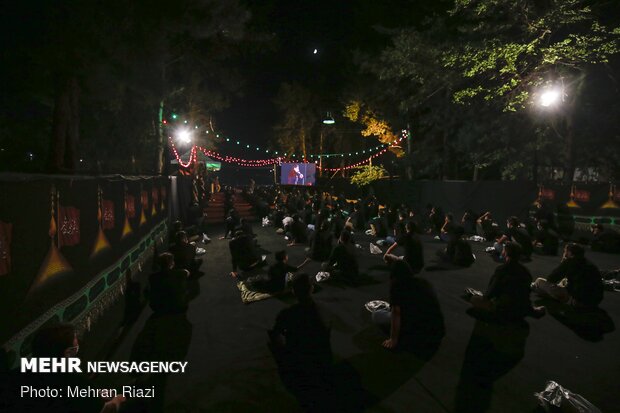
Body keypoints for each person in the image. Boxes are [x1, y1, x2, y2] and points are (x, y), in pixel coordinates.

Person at [10, 324, 126, 413]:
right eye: (75, 340)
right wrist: (117, 400)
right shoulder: (74, 381)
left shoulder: (17, 374)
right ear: (67, 353)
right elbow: (104, 410)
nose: (78, 342)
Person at [269, 273, 333, 412]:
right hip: (321, 358)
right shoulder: (323, 311)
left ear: (293, 291)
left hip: (299, 359)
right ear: (311, 289)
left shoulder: (287, 314)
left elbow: (275, 335)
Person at [372, 258, 445, 350]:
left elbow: (396, 314)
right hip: (436, 331)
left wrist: (393, 339)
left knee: (376, 315)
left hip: (417, 334)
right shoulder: (423, 282)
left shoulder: (397, 287)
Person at [465, 243, 545, 321]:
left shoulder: (502, 270)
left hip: (504, 308)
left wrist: (481, 296)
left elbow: (491, 292)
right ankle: (529, 311)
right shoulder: (526, 271)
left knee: (474, 299)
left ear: (505, 253)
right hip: (521, 309)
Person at [532, 243, 604, 308]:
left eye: (565, 251)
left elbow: (551, 278)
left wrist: (563, 262)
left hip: (577, 300)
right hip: (595, 301)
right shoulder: (589, 263)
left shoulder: (570, 262)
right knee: (564, 281)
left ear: (570, 253)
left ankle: (536, 287)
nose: (564, 253)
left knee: (539, 281)